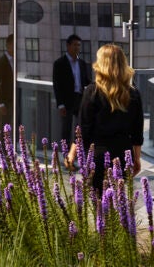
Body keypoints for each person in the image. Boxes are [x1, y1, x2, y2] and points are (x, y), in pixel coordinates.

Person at [69, 43, 142, 193]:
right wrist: (136, 158)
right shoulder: (133, 93)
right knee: (121, 206)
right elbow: (137, 132)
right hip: (123, 154)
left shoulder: (92, 91)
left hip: (97, 155)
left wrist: (72, 153)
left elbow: (82, 128)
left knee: (100, 209)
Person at [51, 35, 91, 145]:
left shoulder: (82, 63)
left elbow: (87, 81)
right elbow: (57, 85)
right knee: (66, 128)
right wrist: (60, 104)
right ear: (68, 46)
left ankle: (78, 152)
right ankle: (66, 153)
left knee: (81, 127)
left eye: (79, 45)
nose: (77, 48)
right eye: (74, 45)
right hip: (67, 100)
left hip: (80, 98)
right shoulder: (59, 63)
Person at [0, 34, 15, 128]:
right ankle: (3, 143)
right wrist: (1, 103)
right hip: (6, 102)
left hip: (15, 100)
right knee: (6, 127)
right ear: (9, 45)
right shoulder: (1, 62)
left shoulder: (16, 61)